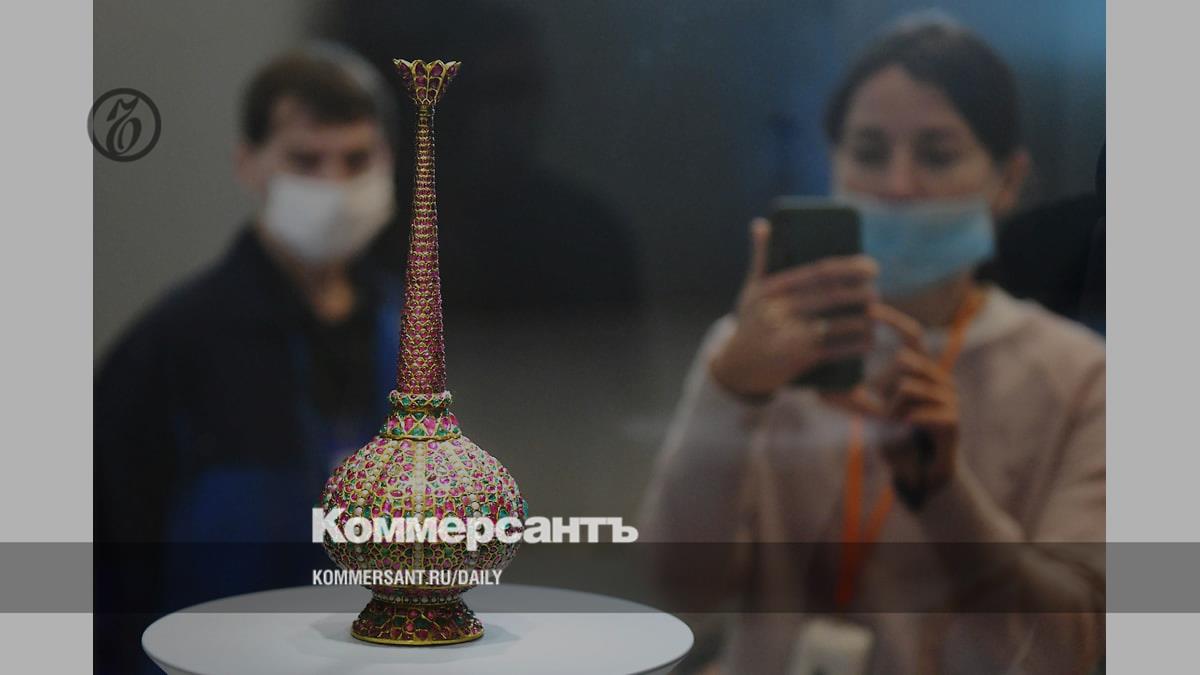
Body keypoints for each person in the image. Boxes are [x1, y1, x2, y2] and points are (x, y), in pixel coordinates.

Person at [640, 16, 1104, 675]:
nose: (898, 185)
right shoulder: (753, 355)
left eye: (937, 155)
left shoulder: (1079, 376)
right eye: (868, 151)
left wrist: (948, 495)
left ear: (1007, 180)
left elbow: (1075, 647)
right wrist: (729, 394)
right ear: (834, 166)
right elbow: (679, 590)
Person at [94, 44, 403, 673]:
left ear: (388, 161)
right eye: (306, 161)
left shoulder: (403, 332)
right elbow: (97, 568)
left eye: (356, 159)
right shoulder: (173, 345)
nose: (335, 185)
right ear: (249, 164)